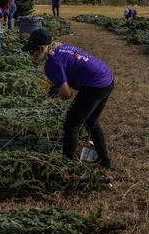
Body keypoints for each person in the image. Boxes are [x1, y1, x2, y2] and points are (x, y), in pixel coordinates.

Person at [23, 28, 112, 169]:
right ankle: (105, 160)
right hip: (106, 77)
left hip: (95, 85)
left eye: (31, 51)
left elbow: (67, 95)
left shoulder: (51, 64)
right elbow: (71, 68)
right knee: (91, 121)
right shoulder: (62, 47)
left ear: (40, 48)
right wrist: (57, 85)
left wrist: (58, 93)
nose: (31, 55)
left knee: (71, 125)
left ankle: (66, 166)